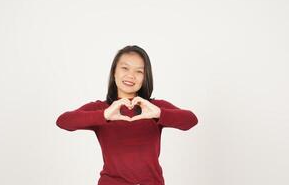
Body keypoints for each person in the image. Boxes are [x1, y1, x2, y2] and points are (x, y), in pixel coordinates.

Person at [56, 45, 198, 185]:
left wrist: (159, 113)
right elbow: (63, 121)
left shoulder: (153, 108)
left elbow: (191, 120)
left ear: (145, 77)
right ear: (114, 72)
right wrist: (104, 115)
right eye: (125, 68)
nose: (131, 75)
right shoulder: (102, 109)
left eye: (139, 71)